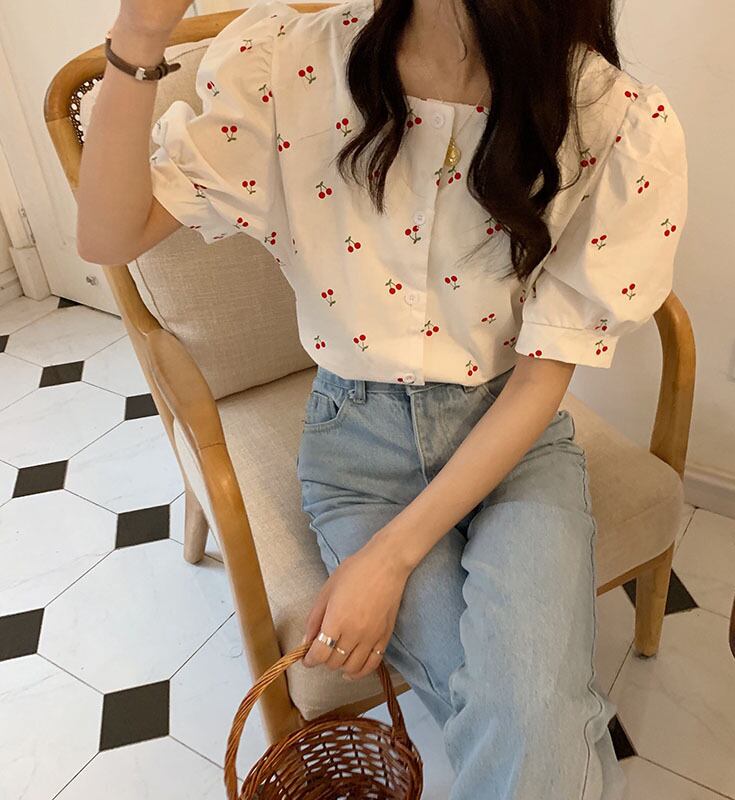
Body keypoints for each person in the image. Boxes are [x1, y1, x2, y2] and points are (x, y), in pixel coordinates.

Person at [76, 0, 688, 797]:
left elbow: (542, 381)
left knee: (529, 712)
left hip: (516, 445)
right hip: (359, 453)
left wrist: (387, 560)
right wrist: (140, 33)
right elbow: (108, 235)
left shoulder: (606, 114)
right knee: (531, 715)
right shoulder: (289, 67)